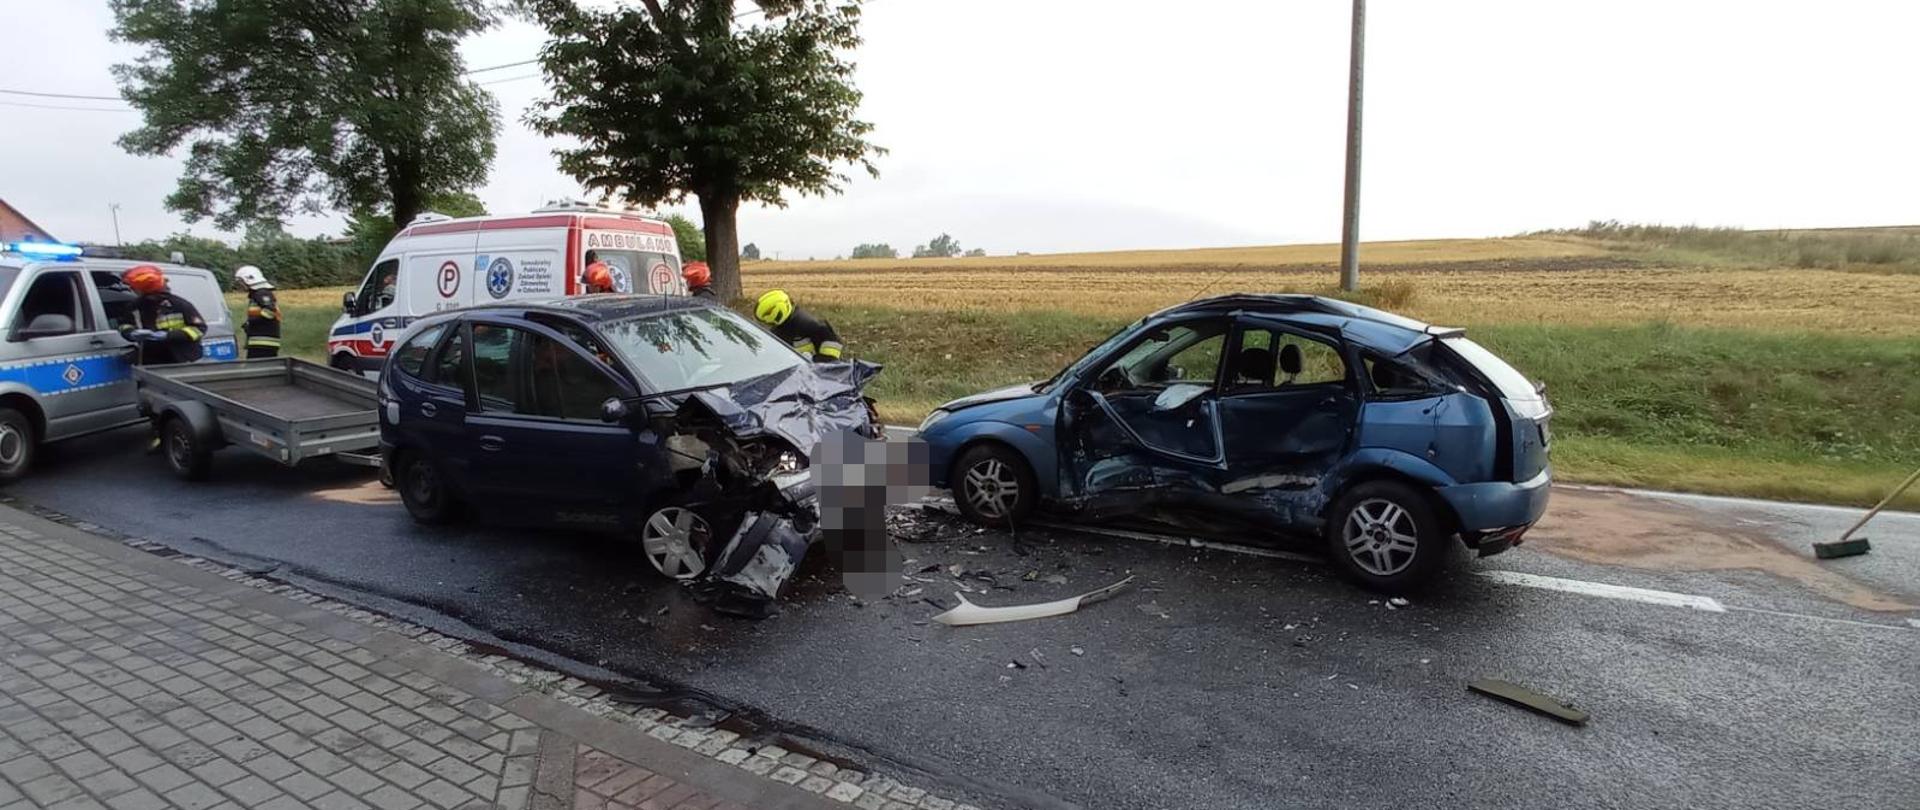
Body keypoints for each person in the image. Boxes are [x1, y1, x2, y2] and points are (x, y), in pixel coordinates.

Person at [118, 265, 207, 366]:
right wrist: (131, 333)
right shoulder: (135, 306)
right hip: (151, 360)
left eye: (134, 288)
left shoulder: (179, 304)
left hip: (182, 359)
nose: (132, 290)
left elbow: (199, 329)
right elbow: (124, 325)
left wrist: (168, 335)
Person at [754, 289, 844, 362]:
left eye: (766, 321)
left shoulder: (813, 326)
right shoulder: (780, 329)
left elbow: (831, 359)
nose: (767, 324)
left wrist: (810, 360)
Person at [233, 265, 281, 358]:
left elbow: (270, 311)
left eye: (241, 282)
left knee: (256, 370)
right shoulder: (257, 294)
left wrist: (252, 322)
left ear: (248, 279)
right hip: (260, 342)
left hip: (264, 343)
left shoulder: (261, 293)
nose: (240, 285)